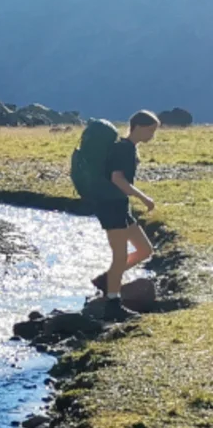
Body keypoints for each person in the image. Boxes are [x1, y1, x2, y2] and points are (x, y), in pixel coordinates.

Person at [84, 110, 159, 321]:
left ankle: (107, 279)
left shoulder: (128, 148)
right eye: (150, 130)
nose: (152, 135)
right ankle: (113, 303)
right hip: (110, 206)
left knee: (145, 250)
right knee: (119, 255)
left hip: (120, 206)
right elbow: (118, 179)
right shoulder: (123, 149)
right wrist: (144, 198)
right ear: (137, 127)